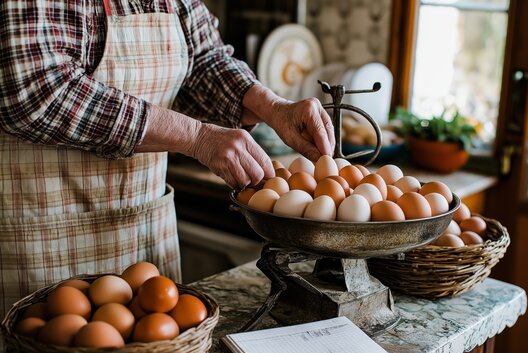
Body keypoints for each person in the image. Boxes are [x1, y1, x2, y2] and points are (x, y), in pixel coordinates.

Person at [0, 0, 334, 316]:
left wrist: (273, 106)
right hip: (45, 238)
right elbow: (37, 91)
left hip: (141, 228)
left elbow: (204, 61)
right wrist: (196, 137)